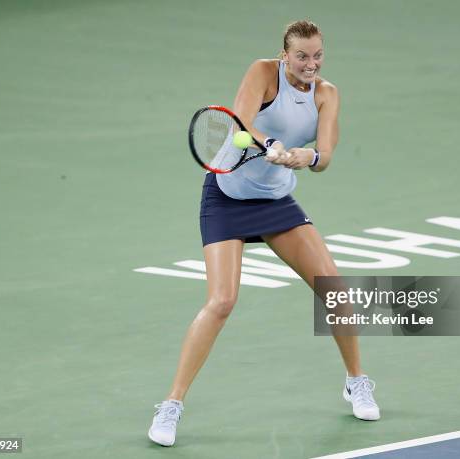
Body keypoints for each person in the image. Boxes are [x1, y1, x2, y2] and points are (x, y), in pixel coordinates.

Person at [148, 19, 380, 447]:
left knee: (336, 291)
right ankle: (171, 405)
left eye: (318, 56)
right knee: (221, 301)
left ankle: (356, 380)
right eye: (302, 56)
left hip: (276, 204)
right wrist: (270, 144)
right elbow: (241, 123)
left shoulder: (327, 94)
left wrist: (305, 157)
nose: (311, 64)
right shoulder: (262, 73)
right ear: (284, 55)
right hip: (227, 199)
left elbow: (326, 155)